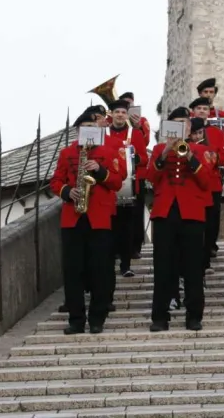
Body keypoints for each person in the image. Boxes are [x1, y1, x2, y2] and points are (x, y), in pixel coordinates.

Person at [50, 111, 123, 334]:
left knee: (100, 269)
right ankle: (76, 319)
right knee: (73, 271)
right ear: (78, 131)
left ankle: (97, 318)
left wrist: (99, 170)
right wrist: (66, 192)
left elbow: (118, 183)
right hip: (73, 218)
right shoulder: (66, 153)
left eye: (92, 126)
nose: (88, 131)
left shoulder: (108, 151)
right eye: (84, 128)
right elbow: (55, 182)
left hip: (99, 219)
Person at [147, 107, 211, 332]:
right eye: (175, 123)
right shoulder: (158, 150)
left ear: (189, 128)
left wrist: (190, 156)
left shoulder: (201, 151)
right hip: (165, 212)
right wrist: (165, 152)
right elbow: (151, 178)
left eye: (184, 123)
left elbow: (206, 182)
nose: (180, 127)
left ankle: (194, 315)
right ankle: (159, 316)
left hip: (191, 213)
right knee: (163, 266)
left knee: (193, 267)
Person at [107, 99, 148, 277]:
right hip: (109, 187)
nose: (120, 115)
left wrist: (130, 157)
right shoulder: (104, 134)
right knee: (111, 226)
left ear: (127, 115)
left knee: (127, 226)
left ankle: (126, 264)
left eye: (123, 113)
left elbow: (145, 159)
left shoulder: (136, 133)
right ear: (112, 114)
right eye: (117, 112)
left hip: (130, 186)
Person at [189, 97, 224, 270]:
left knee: (211, 224)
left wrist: (211, 158)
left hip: (211, 182)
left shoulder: (217, 133)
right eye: (198, 108)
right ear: (193, 111)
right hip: (191, 185)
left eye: (205, 108)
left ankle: (207, 256)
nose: (202, 111)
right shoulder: (186, 132)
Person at [117, 92, 151, 259]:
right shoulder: (110, 126)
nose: (125, 109)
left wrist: (137, 127)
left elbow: (145, 145)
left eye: (128, 105)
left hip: (136, 176)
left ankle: (135, 247)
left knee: (136, 212)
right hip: (116, 177)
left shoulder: (142, 122)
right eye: (123, 106)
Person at [196, 78, 224, 144]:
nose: (208, 95)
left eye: (211, 92)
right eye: (205, 92)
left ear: (214, 94)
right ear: (200, 94)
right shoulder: (191, 115)